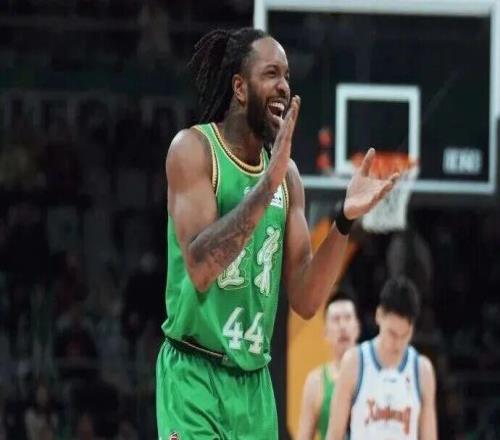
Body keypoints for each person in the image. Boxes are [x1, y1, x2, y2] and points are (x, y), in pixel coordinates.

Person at [156, 27, 398, 440]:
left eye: (286, 76)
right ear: (239, 87)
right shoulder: (194, 150)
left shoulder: (289, 178)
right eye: (271, 73)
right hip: (194, 375)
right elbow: (199, 268)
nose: (284, 86)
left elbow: (306, 299)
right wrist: (266, 184)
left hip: (254, 386)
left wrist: (343, 220)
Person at [326, 277, 437, 440]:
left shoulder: (422, 370)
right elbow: (334, 436)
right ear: (378, 316)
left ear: (412, 328)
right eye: (392, 333)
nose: (397, 343)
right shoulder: (354, 362)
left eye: (404, 335)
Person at [297, 288, 360, 440]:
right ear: (325, 332)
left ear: (357, 328)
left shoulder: (373, 374)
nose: (343, 326)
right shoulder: (316, 381)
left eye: (348, 318)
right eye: (336, 319)